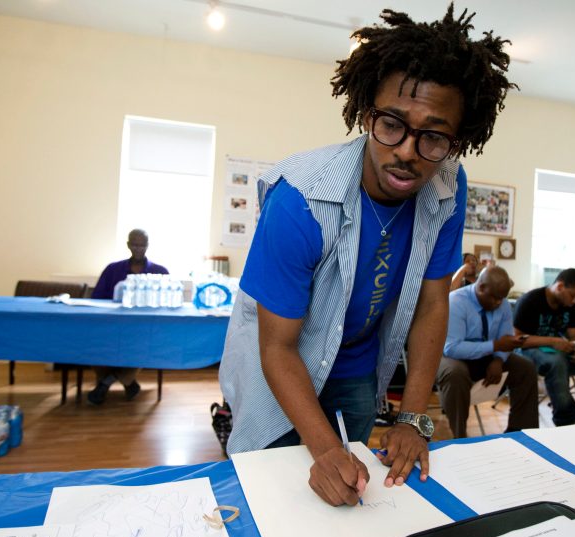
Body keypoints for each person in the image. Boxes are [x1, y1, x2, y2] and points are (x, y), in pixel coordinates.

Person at [219, 4, 515, 506]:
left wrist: (413, 419)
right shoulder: (301, 200)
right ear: (364, 114)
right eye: (392, 124)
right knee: (274, 490)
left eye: (434, 136)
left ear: (456, 140)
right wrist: (324, 449)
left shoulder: (447, 185)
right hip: (280, 361)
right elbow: (278, 348)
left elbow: (431, 305)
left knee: (354, 495)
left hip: (357, 360)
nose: (407, 150)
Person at [437, 267, 539, 438]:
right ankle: (459, 436)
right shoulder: (456, 302)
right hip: (452, 357)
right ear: (481, 287)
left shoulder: (502, 303)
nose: (499, 303)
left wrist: (498, 360)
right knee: (455, 373)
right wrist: (495, 347)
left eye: (502, 298)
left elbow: (506, 340)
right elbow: (452, 348)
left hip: (487, 354)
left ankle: (520, 432)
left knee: (525, 368)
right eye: (495, 298)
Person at [513, 268, 575, 426]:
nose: (574, 301)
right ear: (559, 286)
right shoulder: (530, 300)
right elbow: (517, 339)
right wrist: (551, 341)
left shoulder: (570, 306)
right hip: (527, 352)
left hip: (558, 351)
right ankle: (567, 420)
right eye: (573, 295)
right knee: (557, 362)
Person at [87, 228, 169, 405]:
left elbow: (165, 305)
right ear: (128, 244)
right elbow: (97, 299)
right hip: (112, 325)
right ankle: (129, 383)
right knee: (94, 343)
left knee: (138, 346)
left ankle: (105, 383)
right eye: (134, 244)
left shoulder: (160, 272)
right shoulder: (112, 269)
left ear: (147, 245)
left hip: (143, 328)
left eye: (142, 245)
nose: (138, 248)